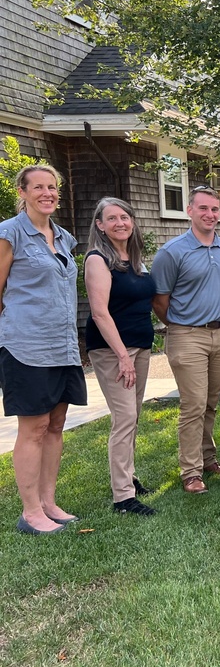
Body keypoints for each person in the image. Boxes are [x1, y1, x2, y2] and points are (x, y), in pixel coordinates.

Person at [0, 165, 86, 534]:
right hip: (26, 346)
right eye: (38, 187)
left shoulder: (64, 237)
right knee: (33, 427)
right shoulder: (8, 234)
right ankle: (30, 511)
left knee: (55, 425)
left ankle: (49, 502)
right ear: (22, 191)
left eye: (52, 187)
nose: (47, 193)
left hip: (63, 345)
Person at [153, 186, 220, 494]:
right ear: (189, 210)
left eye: (215, 209)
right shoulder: (172, 252)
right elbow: (160, 299)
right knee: (193, 405)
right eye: (203, 208)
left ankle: (208, 460)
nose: (210, 215)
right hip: (187, 335)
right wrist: (179, 326)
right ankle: (190, 472)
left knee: (211, 403)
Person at [84, 197, 158, 515]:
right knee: (125, 418)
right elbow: (100, 313)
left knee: (132, 416)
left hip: (140, 346)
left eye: (125, 217)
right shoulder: (97, 259)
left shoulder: (133, 258)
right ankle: (123, 498)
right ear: (100, 225)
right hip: (114, 350)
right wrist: (122, 357)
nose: (120, 223)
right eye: (112, 218)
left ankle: (128, 477)